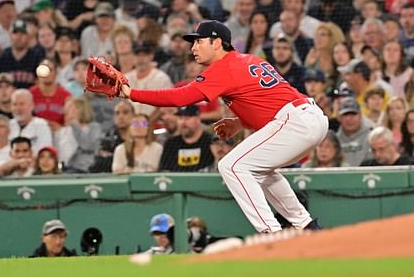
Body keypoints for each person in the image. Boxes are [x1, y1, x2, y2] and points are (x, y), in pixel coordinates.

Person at [121, 20, 328, 233]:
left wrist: (131, 93)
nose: (193, 48)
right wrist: (240, 122)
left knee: (231, 165)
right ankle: (308, 226)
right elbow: (270, 101)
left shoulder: (223, 67)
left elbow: (180, 97)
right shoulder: (248, 59)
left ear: (217, 43)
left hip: (295, 121)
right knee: (260, 170)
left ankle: (270, 233)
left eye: (199, 41)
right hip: (309, 116)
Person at [158, 105, 214, 172]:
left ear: (198, 119)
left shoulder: (210, 142)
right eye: (180, 118)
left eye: (187, 118)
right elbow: (164, 171)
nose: (183, 122)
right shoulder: (171, 143)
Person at [8, 89, 53, 155]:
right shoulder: (7, 126)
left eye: (22, 104)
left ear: (32, 106)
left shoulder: (41, 125)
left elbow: (44, 153)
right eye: (14, 104)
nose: (18, 108)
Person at [336, 97, 373, 166]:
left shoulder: (372, 137)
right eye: (345, 115)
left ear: (360, 116)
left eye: (353, 114)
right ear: (339, 118)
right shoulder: (334, 140)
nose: (349, 119)